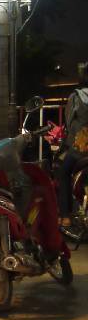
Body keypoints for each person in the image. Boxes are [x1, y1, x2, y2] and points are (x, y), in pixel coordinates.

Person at [58, 63, 88, 240]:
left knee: (63, 173)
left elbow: (69, 124)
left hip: (81, 147)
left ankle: (66, 217)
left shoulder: (76, 97)